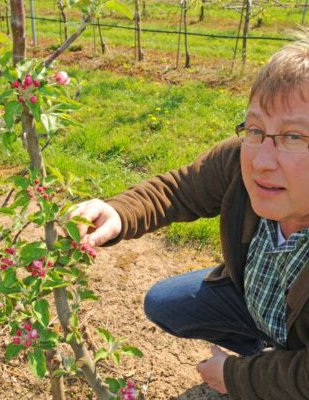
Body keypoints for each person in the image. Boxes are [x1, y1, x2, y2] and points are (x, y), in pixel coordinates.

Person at [70, 38, 309, 399]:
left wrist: (236, 377)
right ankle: (266, 354)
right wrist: (118, 212)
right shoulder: (238, 162)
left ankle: (276, 369)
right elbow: (180, 189)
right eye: (255, 129)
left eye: (293, 136)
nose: (261, 161)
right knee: (167, 302)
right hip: (262, 301)